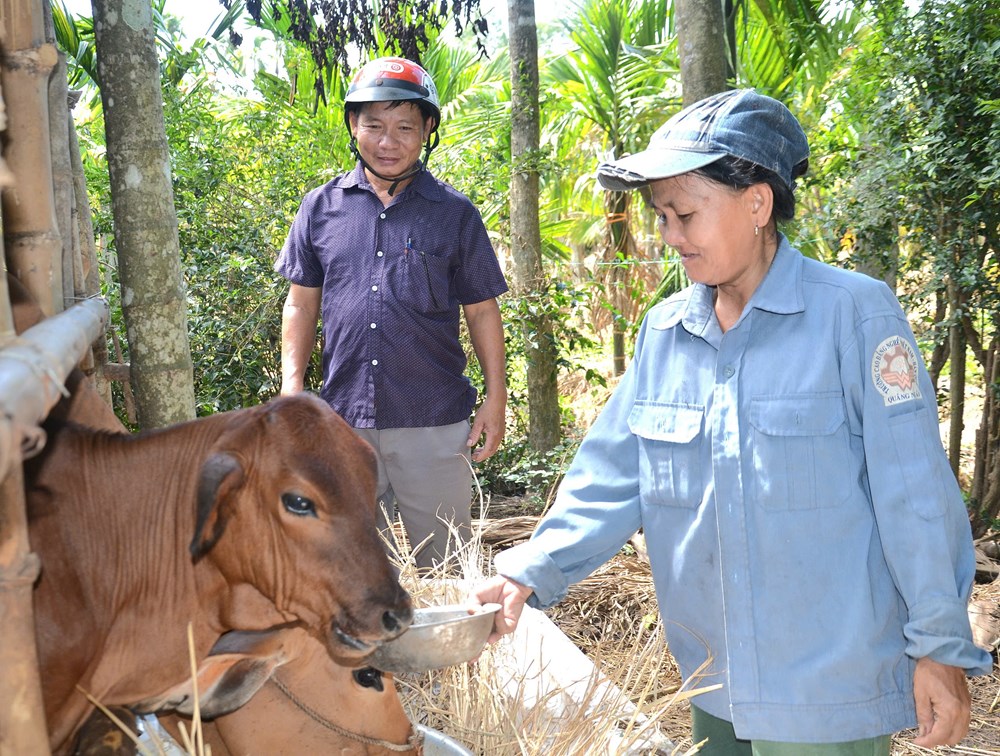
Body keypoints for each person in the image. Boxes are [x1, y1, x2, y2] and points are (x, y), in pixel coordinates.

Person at [472, 89, 991, 754]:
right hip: (713, 682)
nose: (670, 236)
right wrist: (526, 572)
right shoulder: (665, 334)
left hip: (826, 692)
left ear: (757, 203)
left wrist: (941, 649)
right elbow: (611, 478)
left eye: (685, 213)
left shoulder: (854, 317)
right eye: (662, 216)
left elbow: (913, 497)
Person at [276, 56, 508, 571]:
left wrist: (496, 396)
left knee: (447, 568)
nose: (388, 141)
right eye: (373, 125)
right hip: (344, 421)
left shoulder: (455, 214)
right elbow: (301, 302)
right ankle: (372, 658)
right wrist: (293, 387)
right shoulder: (320, 208)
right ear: (352, 126)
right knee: (352, 569)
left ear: (428, 129)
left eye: (405, 126)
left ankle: (450, 655)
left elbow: (482, 310)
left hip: (433, 420)